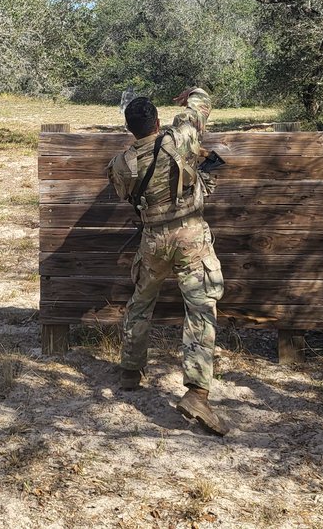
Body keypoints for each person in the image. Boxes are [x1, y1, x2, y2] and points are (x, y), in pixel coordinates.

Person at [107, 87, 228, 436]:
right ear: (158, 121)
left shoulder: (123, 162)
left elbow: (122, 191)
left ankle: (131, 371)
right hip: (191, 237)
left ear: (130, 128)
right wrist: (194, 93)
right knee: (201, 310)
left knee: (141, 303)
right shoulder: (181, 136)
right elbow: (199, 108)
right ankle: (197, 392)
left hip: (153, 241)